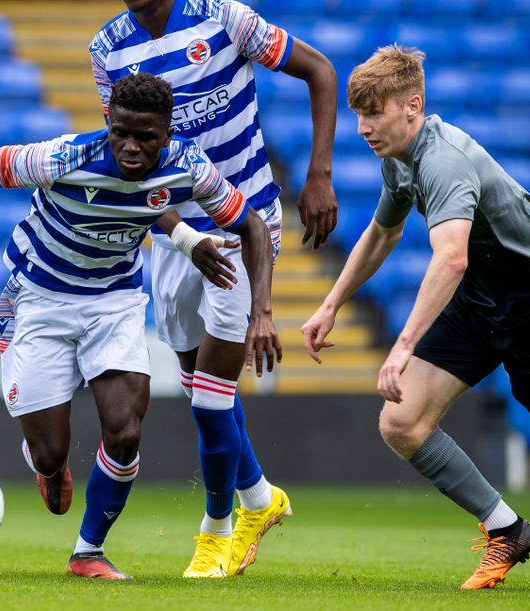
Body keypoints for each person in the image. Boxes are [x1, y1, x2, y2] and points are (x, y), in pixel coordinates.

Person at [0, 73, 281, 580]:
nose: (131, 147)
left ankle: (87, 553)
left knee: (125, 430)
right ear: (108, 124)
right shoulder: (63, 158)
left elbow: (250, 224)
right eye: (121, 133)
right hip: (38, 301)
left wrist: (262, 311)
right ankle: (47, 466)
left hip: (113, 301)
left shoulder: (188, 166)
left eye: (146, 137)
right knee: (52, 451)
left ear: (168, 132)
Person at [301, 46, 530, 590]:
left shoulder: (443, 160)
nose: (362, 128)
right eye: (359, 115)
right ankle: (507, 529)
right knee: (401, 423)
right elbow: (384, 231)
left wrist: (401, 348)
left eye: (373, 113)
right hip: (479, 303)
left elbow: (451, 257)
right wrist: (331, 304)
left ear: (411, 106)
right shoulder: (398, 158)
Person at [90, 0, 338, 577]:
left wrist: (318, 173)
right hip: (175, 234)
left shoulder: (223, 17)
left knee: (209, 397)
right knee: (197, 381)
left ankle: (215, 535)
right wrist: (176, 234)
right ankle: (259, 499)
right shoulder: (107, 48)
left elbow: (321, 72)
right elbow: (128, 158)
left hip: (243, 226)